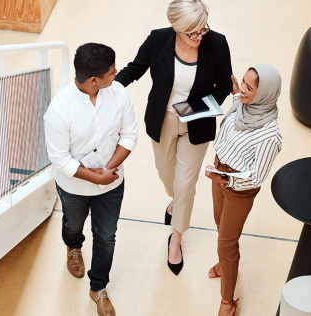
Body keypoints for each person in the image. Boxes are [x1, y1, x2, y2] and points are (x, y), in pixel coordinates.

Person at [114, 0, 233, 275]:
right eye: (193, 33)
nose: (199, 37)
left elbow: (224, 85)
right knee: (168, 177)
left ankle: (176, 240)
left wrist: (192, 109)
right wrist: (108, 89)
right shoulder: (158, 40)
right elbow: (134, 70)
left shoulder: (217, 43)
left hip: (197, 123)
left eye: (203, 30)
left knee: (185, 187)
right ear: (176, 28)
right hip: (163, 119)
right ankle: (175, 201)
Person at [44, 43, 138, 316]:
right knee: (73, 225)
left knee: (107, 236)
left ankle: (98, 287)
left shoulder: (118, 93)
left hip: (111, 183)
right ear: (93, 80)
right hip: (73, 186)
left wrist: (107, 171)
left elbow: (129, 135)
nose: (117, 73)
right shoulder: (60, 110)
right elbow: (60, 159)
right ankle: (73, 247)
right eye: (112, 71)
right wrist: (94, 177)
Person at [204, 64, 282, 316]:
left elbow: (257, 177)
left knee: (227, 242)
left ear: (265, 94)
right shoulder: (243, 106)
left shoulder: (270, 134)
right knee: (219, 222)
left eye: (250, 88)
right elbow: (238, 103)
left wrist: (226, 180)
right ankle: (225, 265)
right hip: (220, 173)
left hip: (238, 187)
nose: (242, 91)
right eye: (243, 84)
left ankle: (228, 301)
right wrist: (237, 93)